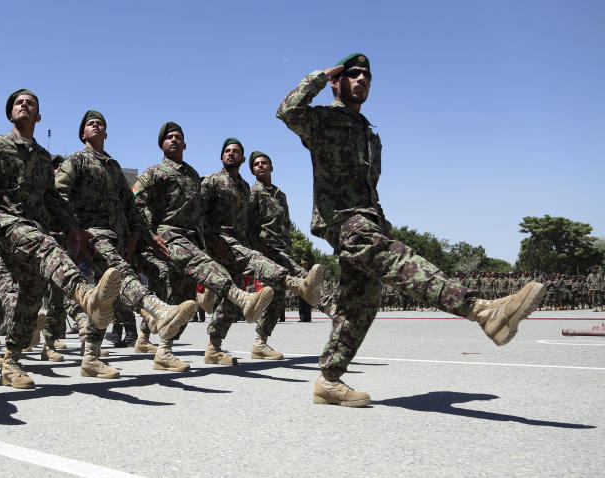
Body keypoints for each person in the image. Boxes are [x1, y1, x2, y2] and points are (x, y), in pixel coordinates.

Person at [277, 52, 546, 406]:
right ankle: (481, 310)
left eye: (367, 76)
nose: (362, 79)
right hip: (343, 220)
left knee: (361, 303)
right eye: (353, 74)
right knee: (399, 260)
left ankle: (329, 380)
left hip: (368, 219)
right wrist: (321, 74)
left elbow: (369, 188)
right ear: (337, 81)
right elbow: (287, 110)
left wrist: (381, 222)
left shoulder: (369, 133)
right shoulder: (322, 120)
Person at [0, 89, 122, 388]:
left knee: (31, 292)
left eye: (30, 104)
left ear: (38, 116)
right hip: (4, 224)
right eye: (18, 103)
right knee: (44, 246)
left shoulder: (41, 157)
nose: (24, 106)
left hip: (32, 227)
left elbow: (53, 198)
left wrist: (73, 227)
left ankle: (11, 362)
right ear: (10, 113)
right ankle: (86, 296)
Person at [56, 110, 198, 378]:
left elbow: (131, 206)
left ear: (106, 133)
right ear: (83, 133)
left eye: (101, 124)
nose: (96, 126)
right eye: (90, 124)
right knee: (121, 276)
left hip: (117, 238)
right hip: (91, 235)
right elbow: (58, 195)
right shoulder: (75, 161)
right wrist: (74, 229)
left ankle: (91, 358)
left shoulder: (112, 166)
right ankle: (156, 311)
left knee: (105, 299)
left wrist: (139, 234)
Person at [132, 123, 276, 371]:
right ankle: (242, 299)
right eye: (169, 138)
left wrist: (208, 240)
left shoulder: (192, 175)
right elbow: (134, 202)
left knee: (184, 300)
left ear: (185, 144)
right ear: (162, 145)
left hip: (191, 238)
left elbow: (201, 213)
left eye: (179, 137)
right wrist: (150, 235)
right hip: (168, 236)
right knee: (203, 266)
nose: (174, 140)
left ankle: (164, 352)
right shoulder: (154, 172)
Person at [199, 139, 322, 365]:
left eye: (236, 152)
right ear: (221, 157)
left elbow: (247, 223)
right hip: (222, 245)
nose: (231, 154)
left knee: (231, 300)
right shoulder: (212, 182)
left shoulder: (244, 187)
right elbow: (200, 215)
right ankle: (297, 284)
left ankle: (213, 348)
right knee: (256, 273)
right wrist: (210, 241)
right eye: (227, 151)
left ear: (241, 159)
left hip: (240, 246)